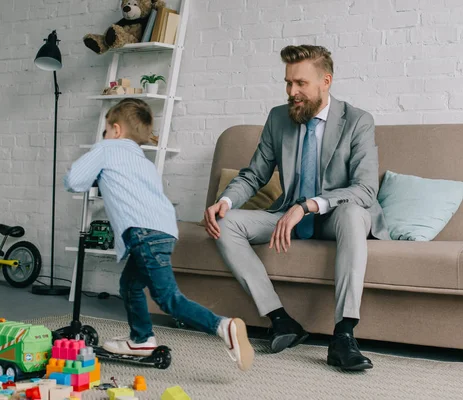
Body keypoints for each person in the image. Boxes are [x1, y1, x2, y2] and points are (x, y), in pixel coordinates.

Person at [204, 45, 390, 371]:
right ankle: (282, 321)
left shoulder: (358, 121)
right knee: (227, 223)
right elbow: (255, 174)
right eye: (288, 83)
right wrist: (225, 200)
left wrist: (308, 206)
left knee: (350, 213)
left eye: (301, 83)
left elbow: (364, 189)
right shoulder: (279, 118)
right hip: (287, 212)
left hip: (336, 216)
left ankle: (344, 335)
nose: (292, 92)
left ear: (326, 81)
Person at [64, 98, 254, 371]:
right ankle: (141, 338)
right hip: (163, 231)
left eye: (106, 130)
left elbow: (74, 180)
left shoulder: (107, 148)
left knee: (167, 298)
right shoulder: (142, 161)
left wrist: (85, 174)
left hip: (143, 234)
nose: (104, 136)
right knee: (129, 286)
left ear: (116, 130)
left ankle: (223, 327)